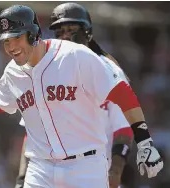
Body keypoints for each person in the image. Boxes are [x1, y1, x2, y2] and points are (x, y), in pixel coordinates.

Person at [0, 5, 161, 188]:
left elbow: (122, 93)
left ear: (33, 33)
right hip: (41, 168)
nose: (10, 47)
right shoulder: (13, 71)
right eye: (5, 41)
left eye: (16, 38)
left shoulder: (76, 56)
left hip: (85, 166)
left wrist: (145, 141)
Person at [14, 3, 164, 188]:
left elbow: (123, 130)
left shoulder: (106, 70)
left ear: (88, 33)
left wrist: (115, 171)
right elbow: (34, 134)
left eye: (71, 29)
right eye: (60, 31)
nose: (65, 36)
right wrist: (22, 178)